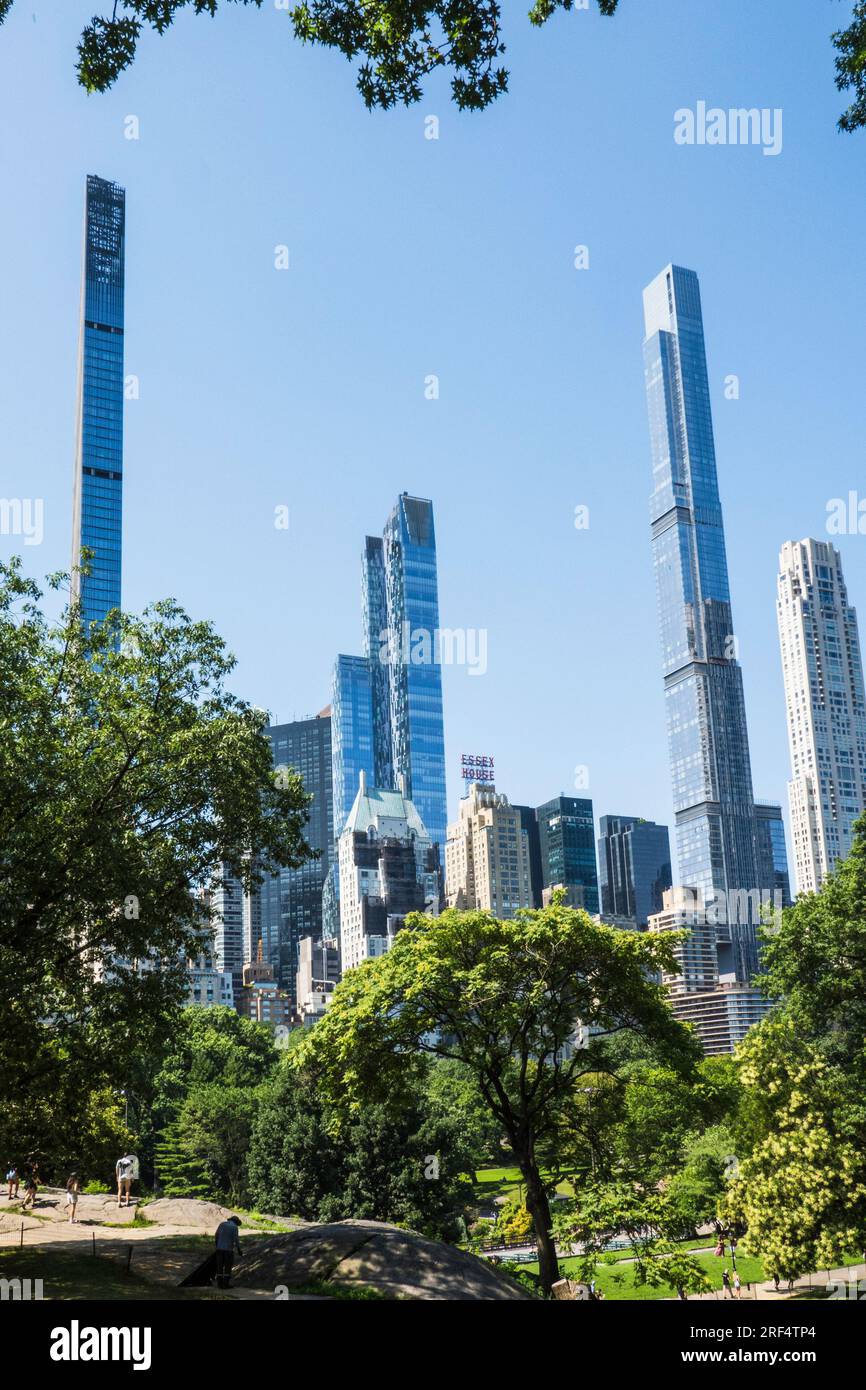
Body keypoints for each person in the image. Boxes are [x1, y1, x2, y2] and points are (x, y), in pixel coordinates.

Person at [214, 1215, 242, 1289]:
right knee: (227, 1267)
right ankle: (225, 1284)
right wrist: (239, 1249)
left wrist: (217, 1245)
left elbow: (216, 1235)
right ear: (236, 1222)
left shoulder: (222, 1224)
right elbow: (236, 1240)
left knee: (219, 1266)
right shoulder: (234, 1227)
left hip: (219, 1249)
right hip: (228, 1250)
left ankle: (219, 1284)